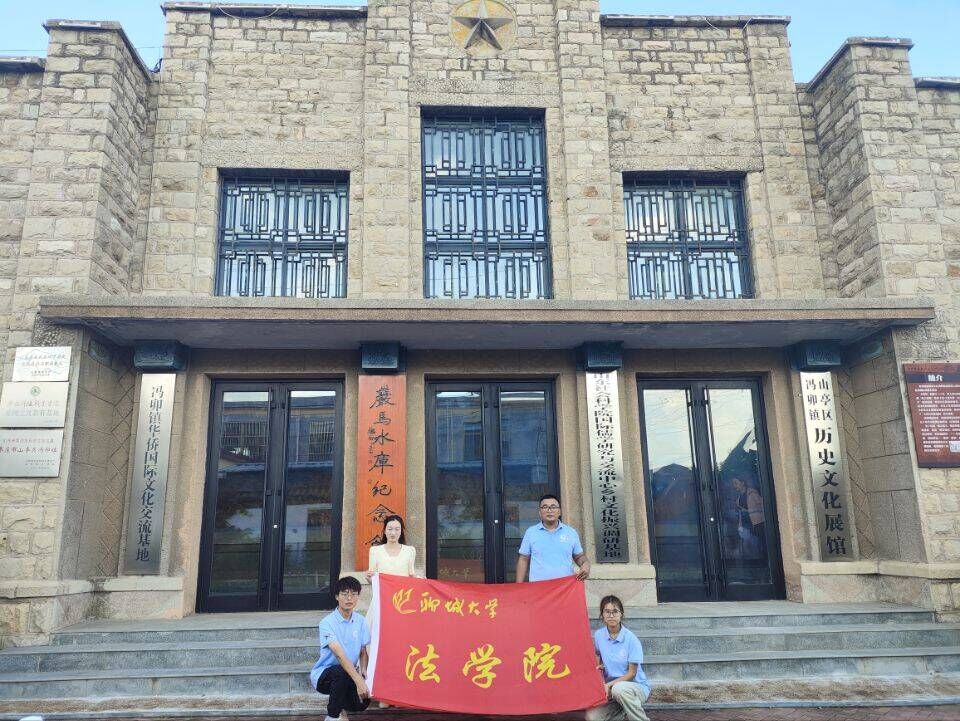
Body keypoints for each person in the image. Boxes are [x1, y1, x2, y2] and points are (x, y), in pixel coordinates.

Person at [310, 576, 371, 721]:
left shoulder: (361, 621)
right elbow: (339, 655)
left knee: (363, 703)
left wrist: (363, 672)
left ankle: (342, 709)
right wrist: (358, 681)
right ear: (337, 596)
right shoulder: (327, 623)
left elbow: (363, 651)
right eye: (345, 594)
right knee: (341, 672)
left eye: (354, 594)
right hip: (324, 676)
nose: (349, 598)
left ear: (358, 596)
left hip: (350, 673)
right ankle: (332, 716)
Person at [587, 595, 651, 721]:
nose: (611, 615)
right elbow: (598, 655)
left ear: (621, 614)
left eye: (615, 611)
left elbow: (632, 674)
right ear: (602, 614)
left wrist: (608, 685)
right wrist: (600, 668)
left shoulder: (631, 639)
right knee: (592, 717)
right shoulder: (599, 635)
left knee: (619, 689)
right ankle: (625, 710)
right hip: (612, 691)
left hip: (634, 687)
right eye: (607, 611)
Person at [516, 494, 590, 582]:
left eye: (553, 507)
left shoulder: (571, 532)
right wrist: (518, 586)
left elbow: (579, 556)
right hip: (538, 587)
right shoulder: (531, 532)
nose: (549, 510)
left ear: (559, 512)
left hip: (565, 586)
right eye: (545, 507)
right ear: (540, 512)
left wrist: (586, 564)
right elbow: (523, 559)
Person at [365, 514, 416, 579]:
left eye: (397, 529)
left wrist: (423, 581)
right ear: (384, 531)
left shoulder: (410, 551)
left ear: (401, 531)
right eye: (390, 529)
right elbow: (373, 579)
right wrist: (368, 577)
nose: (393, 533)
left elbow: (412, 576)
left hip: (403, 586)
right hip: (383, 586)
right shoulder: (375, 551)